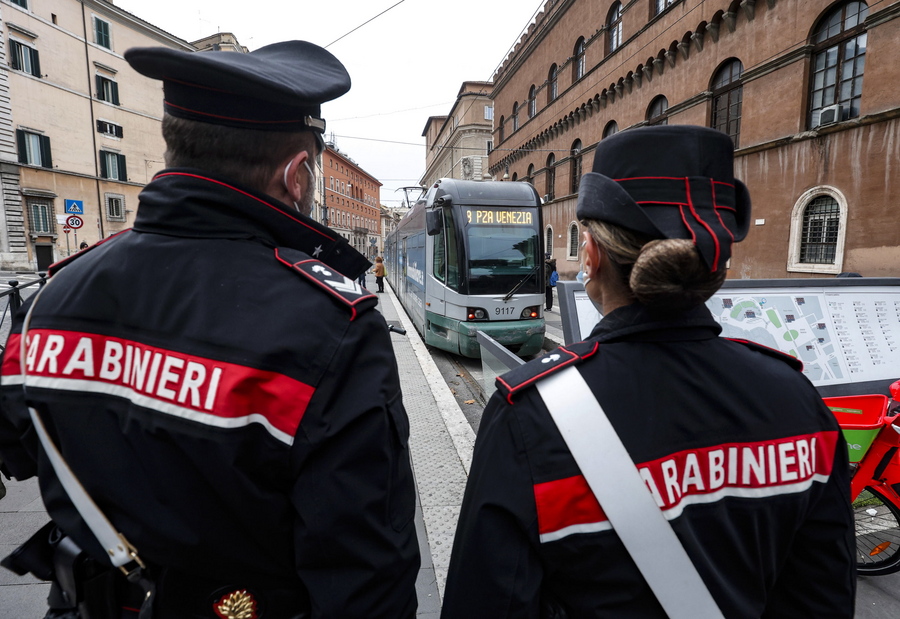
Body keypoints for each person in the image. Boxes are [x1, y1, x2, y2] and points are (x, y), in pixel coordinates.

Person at [0, 41, 419, 618]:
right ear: (297, 176)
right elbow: (366, 578)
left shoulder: (51, 295)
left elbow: (17, 450)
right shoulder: (331, 329)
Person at [441, 126, 855, 618]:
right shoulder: (798, 401)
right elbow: (822, 598)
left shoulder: (530, 418)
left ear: (591, 256)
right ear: (714, 267)